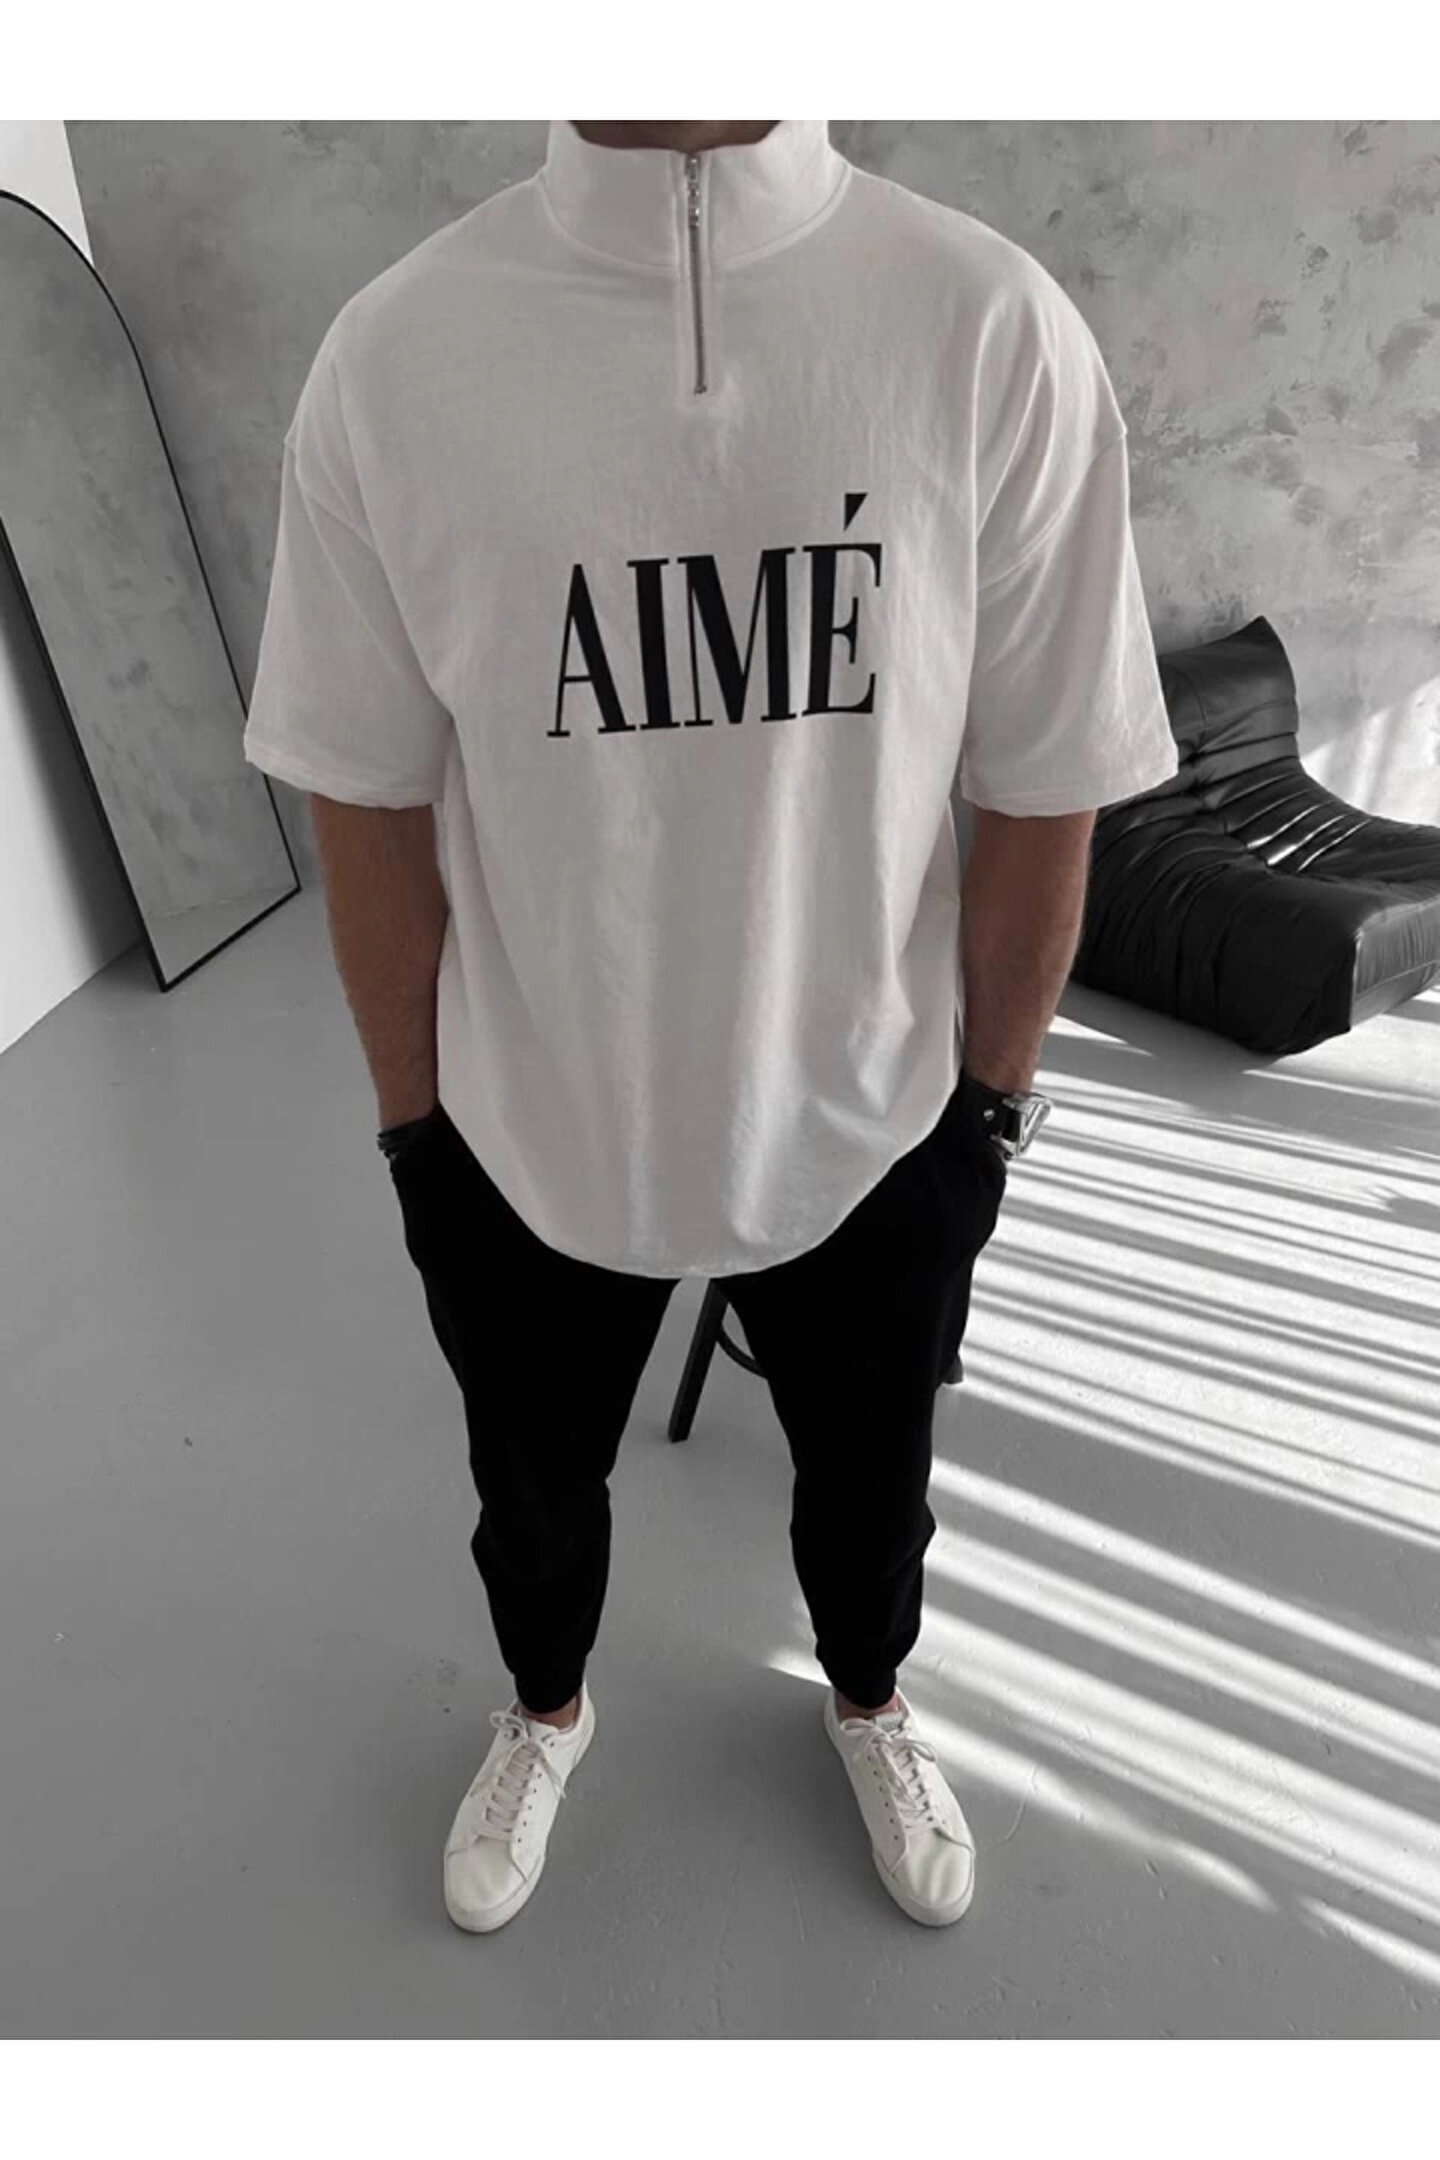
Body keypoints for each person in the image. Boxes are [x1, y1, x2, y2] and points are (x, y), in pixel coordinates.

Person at [243, 118, 1178, 1937]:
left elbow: (1047, 777)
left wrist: (989, 1113)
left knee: (873, 1496)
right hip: (527, 1123)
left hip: (870, 1115)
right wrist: (414, 1133)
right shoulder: (396, 357)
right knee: (529, 1498)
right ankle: (545, 1712)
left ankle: (870, 1698)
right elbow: (360, 788)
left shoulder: (987, 328)